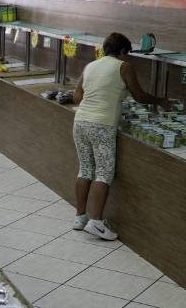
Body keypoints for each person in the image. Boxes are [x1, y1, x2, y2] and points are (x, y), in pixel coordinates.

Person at [72, 32, 170, 241]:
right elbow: (140, 96)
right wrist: (161, 100)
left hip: (80, 122)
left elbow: (77, 97)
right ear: (123, 51)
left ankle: (80, 217)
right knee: (104, 173)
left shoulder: (90, 66)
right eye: (127, 53)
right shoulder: (123, 67)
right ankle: (96, 222)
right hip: (102, 125)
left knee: (85, 169)